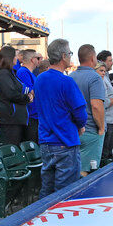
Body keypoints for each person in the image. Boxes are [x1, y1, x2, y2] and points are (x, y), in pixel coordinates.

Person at [34, 39, 87, 196]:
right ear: (64, 56)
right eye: (70, 53)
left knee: (47, 189)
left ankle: (43, 218)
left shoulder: (40, 79)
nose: (70, 56)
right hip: (65, 141)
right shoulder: (66, 81)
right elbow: (80, 113)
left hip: (46, 141)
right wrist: (80, 126)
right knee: (65, 192)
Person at [69, 44, 107, 174]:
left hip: (74, 130)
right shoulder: (95, 77)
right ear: (92, 58)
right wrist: (101, 128)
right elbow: (96, 106)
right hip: (91, 130)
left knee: (75, 170)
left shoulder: (71, 76)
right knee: (86, 172)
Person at [0, 45, 32, 145]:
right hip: (9, 119)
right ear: (9, 58)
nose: (17, 58)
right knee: (12, 150)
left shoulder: (10, 73)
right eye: (15, 56)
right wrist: (27, 98)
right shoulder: (3, 74)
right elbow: (11, 94)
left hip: (14, 119)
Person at [16, 49, 40, 142]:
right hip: (30, 116)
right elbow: (29, 92)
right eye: (38, 58)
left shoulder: (30, 73)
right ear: (33, 59)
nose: (39, 61)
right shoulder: (22, 72)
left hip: (35, 115)